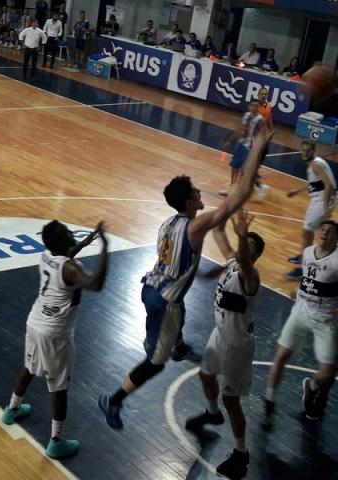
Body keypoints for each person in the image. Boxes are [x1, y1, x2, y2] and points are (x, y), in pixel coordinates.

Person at [98, 130, 272, 431]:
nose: (200, 195)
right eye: (197, 193)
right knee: (155, 361)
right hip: (164, 302)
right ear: (190, 202)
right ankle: (113, 399)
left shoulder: (168, 223)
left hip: (152, 287)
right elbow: (240, 196)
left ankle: (177, 344)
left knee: (179, 311)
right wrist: (256, 150)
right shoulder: (195, 226)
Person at [1, 220, 109, 459]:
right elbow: (96, 284)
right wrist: (104, 248)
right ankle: (56, 441)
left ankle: (11, 409)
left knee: (29, 367)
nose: (71, 233)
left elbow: (67, 253)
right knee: (59, 387)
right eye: (67, 233)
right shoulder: (71, 268)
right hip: (56, 333)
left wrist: (87, 240)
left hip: (35, 322)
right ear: (61, 242)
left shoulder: (46, 255)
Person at [185, 210, 265, 480]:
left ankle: (241, 454)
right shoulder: (232, 263)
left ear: (256, 255)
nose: (246, 247)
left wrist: (242, 234)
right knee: (205, 375)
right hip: (219, 335)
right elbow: (220, 236)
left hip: (237, 345)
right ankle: (211, 414)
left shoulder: (250, 277)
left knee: (231, 400)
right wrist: (221, 214)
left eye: (252, 246)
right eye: (246, 242)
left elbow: (241, 257)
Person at [264, 219, 338, 428]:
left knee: (328, 372)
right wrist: (299, 289)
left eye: (331, 231)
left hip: (325, 320)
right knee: (281, 355)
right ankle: (269, 400)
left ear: (336, 239)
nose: (325, 233)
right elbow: (309, 278)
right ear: (316, 233)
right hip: (301, 313)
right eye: (322, 229)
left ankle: (312, 387)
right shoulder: (307, 253)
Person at [285, 141, 337, 278]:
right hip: (317, 199)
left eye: (308, 150)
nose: (305, 153)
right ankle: (304, 256)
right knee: (309, 232)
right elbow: (316, 184)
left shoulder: (316, 164)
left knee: (307, 231)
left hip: (323, 200)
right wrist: (298, 190)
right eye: (303, 150)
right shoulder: (314, 163)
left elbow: (329, 186)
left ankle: (303, 268)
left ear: (313, 151)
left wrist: (326, 208)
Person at [219, 100, 263, 196]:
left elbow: (261, 135)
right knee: (234, 166)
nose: (255, 107)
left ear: (259, 107)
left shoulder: (260, 119)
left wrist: (257, 148)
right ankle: (231, 188)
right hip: (241, 144)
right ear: (249, 106)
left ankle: (238, 191)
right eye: (253, 105)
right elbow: (240, 129)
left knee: (244, 170)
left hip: (250, 147)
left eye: (257, 106)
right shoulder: (246, 115)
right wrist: (230, 142)